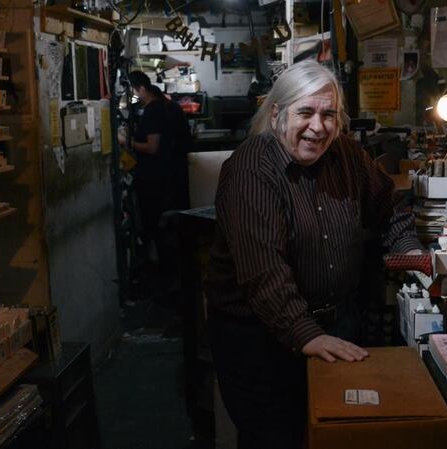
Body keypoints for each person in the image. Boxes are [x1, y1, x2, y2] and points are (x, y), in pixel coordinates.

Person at [205, 61, 423, 449]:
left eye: (328, 115)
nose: (318, 127)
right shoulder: (250, 170)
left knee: (335, 434)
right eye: (305, 112)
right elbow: (263, 272)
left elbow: (388, 206)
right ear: (276, 114)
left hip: (337, 324)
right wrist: (306, 333)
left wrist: (408, 250)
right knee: (278, 439)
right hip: (261, 343)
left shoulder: (347, 155)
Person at [121, 71, 191, 290]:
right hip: (173, 177)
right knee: (170, 227)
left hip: (156, 180)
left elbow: (152, 147)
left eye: (131, 92)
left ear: (141, 89)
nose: (130, 97)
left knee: (159, 228)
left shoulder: (153, 111)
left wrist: (126, 141)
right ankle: (175, 277)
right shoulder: (166, 105)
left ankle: (166, 279)